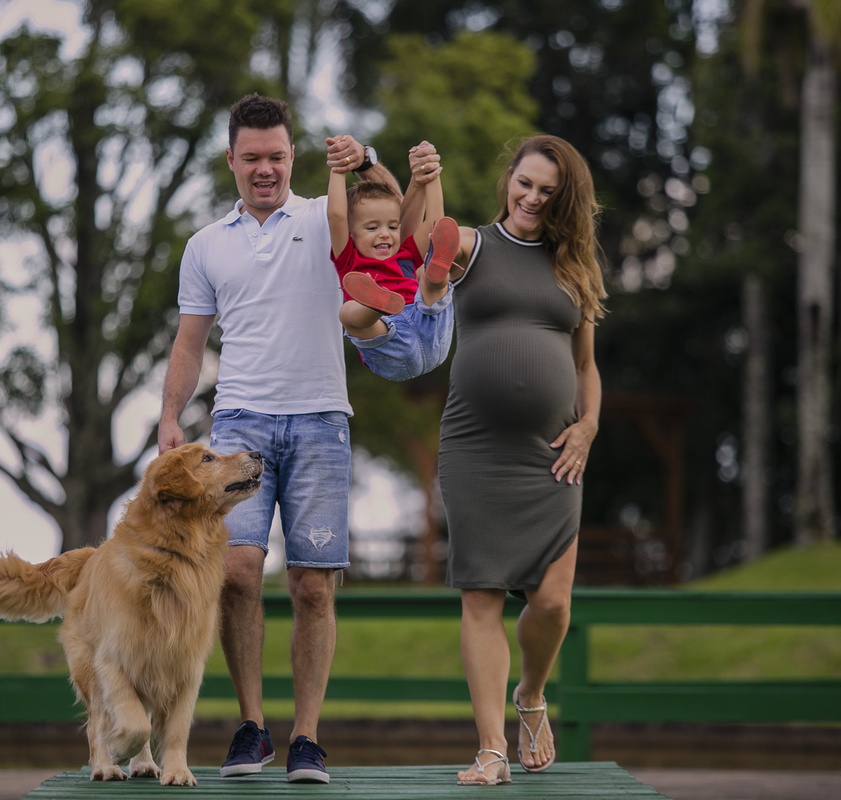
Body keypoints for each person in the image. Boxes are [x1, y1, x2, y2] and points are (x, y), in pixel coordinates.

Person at [156, 94, 431, 785]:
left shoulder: (323, 216)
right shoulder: (206, 245)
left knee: (314, 587)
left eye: (277, 156)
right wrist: (169, 417)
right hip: (238, 424)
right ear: (231, 160)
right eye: (252, 157)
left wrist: (366, 157)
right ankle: (252, 728)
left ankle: (307, 738)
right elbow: (189, 345)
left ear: (291, 156)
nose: (265, 169)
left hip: (320, 423)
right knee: (238, 572)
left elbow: (393, 217)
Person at [435, 135, 607, 786]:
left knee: (554, 603)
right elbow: (426, 239)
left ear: (566, 200)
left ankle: (531, 695)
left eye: (547, 190)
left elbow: (587, 367)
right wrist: (423, 175)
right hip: (475, 447)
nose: (532, 197)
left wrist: (590, 424)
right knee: (480, 597)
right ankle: (489, 750)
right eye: (524, 182)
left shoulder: (576, 266)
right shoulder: (472, 248)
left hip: (551, 456)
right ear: (508, 178)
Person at [327, 141, 461, 381]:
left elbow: (435, 224)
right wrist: (337, 168)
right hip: (392, 346)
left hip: (427, 324)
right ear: (350, 233)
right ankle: (376, 306)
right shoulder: (349, 258)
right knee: (348, 314)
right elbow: (336, 215)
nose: (385, 234)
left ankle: (434, 278)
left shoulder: (405, 254)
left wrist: (431, 174)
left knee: (430, 269)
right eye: (372, 227)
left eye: (392, 226)